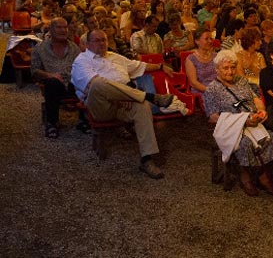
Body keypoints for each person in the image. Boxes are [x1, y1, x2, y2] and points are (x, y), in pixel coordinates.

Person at [71, 29, 176, 179]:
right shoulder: (82, 61)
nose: (102, 43)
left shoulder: (115, 57)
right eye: (97, 40)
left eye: (104, 40)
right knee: (97, 83)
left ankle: (147, 159)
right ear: (87, 44)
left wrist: (160, 66)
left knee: (143, 107)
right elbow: (91, 87)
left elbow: (139, 66)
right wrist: (122, 96)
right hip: (100, 106)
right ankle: (150, 97)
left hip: (125, 103)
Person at [203, 50, 273, 199]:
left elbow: (256, 99)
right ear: (217, 70)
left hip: (253, 122)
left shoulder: (242, 81)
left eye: (233, 67)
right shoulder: (211, 90)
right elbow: (212, 117)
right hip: (230, 128)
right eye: (225, 68)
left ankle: (260, 171)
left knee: (271, 137)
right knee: (245, 143)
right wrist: (241, 120)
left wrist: (261, 111)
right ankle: (248, 175)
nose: (230, 71)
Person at [31, 18, 87, 138]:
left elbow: (82, 66)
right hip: (53, 84)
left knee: (87, 80)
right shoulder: (40, 48)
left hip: (72, 83)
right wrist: (49, 75)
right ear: (51, 29)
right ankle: (52, 123)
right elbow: (34, 70)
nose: (63, 30)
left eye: (65, 27)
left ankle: (85, 120)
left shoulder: (74, 48)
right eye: (59, 27)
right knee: (52, 83)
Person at [185, 27, 217, 96]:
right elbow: (193, 83)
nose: (210, 41)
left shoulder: (215, 56)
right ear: (197, 41)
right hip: (202, 91)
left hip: (217, 88)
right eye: (206, 39)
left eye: (211, 38)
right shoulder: (191, 59)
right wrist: (210, 91)